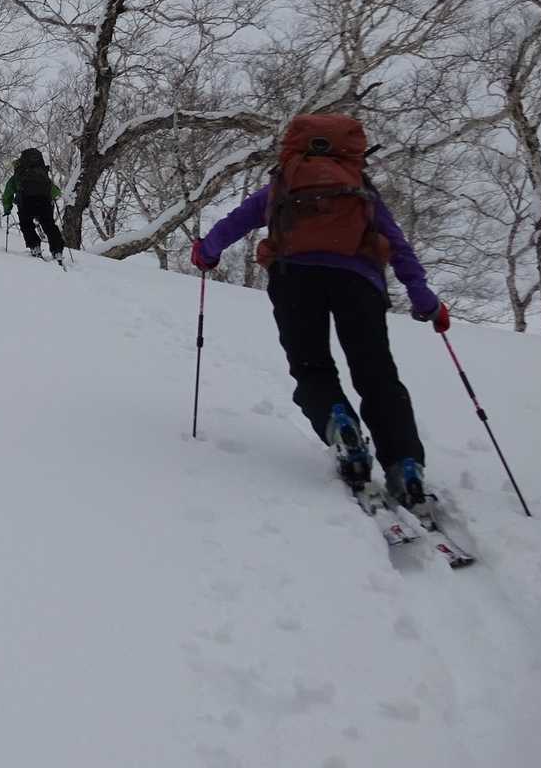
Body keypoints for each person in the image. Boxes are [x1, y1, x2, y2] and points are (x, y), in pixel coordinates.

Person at [189, 114, 451, 509]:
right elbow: (398, 245)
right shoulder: (361, 189)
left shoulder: (283, 184)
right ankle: (405, 465)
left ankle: (338, 422)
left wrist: (206, 253)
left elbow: (236, 221)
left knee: (312, 368)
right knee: (377, 374)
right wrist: (425, 300)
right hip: (359, 282)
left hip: (295, 279)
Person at [1, 148, 66, 260]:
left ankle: (35, 246)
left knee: (26, 225)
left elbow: (7, 194)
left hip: (26, 202)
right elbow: (56, 192)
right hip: (44, 202)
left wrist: (7, 208)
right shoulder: (42, 175)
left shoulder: (17, 176)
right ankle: (57, 250)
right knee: (49, 225)